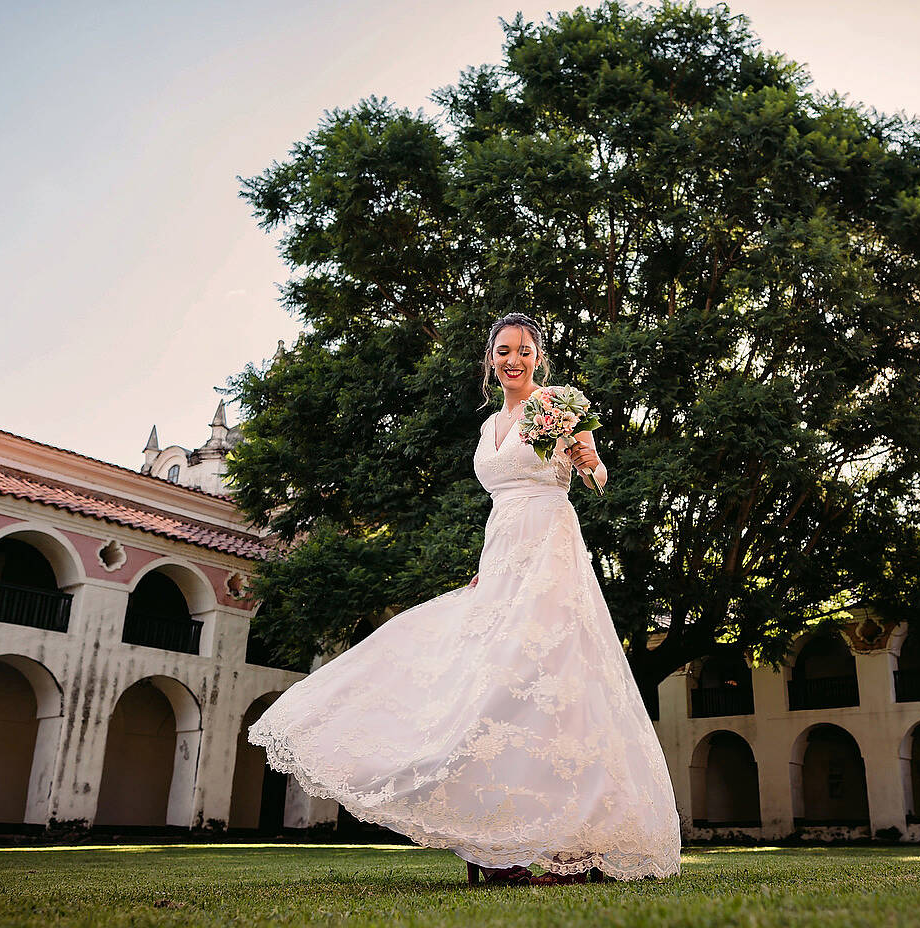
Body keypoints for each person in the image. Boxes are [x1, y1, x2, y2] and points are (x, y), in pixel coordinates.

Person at [247, 312, 682, 886]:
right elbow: (499, 506)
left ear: (538, 357)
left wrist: (587, 461)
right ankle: (491, 845)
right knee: (481, 685)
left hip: (552, 552)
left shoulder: (559, 408)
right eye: (503, 350)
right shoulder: (486, 428)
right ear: (490, 360)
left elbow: (600, 480)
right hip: (503, 555)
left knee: (549, 686)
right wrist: (485, 569)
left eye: (524, 350)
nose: (513, 359)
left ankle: (575, 847)